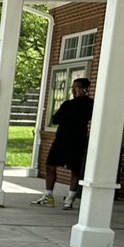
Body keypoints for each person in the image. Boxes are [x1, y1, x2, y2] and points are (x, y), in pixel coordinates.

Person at [31, 76, 94, 210]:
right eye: (73, 87)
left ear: (85, 89)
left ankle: (70, 198)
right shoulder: (67, 104)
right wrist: (70, 116)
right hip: (61, 139)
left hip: (77, 139)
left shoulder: (90, 104)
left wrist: (69, 117)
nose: (73, 90)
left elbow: (83, 117)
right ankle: (48, 196)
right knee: (50, 166)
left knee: (75, 169)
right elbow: (55, 119)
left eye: (76, 87)